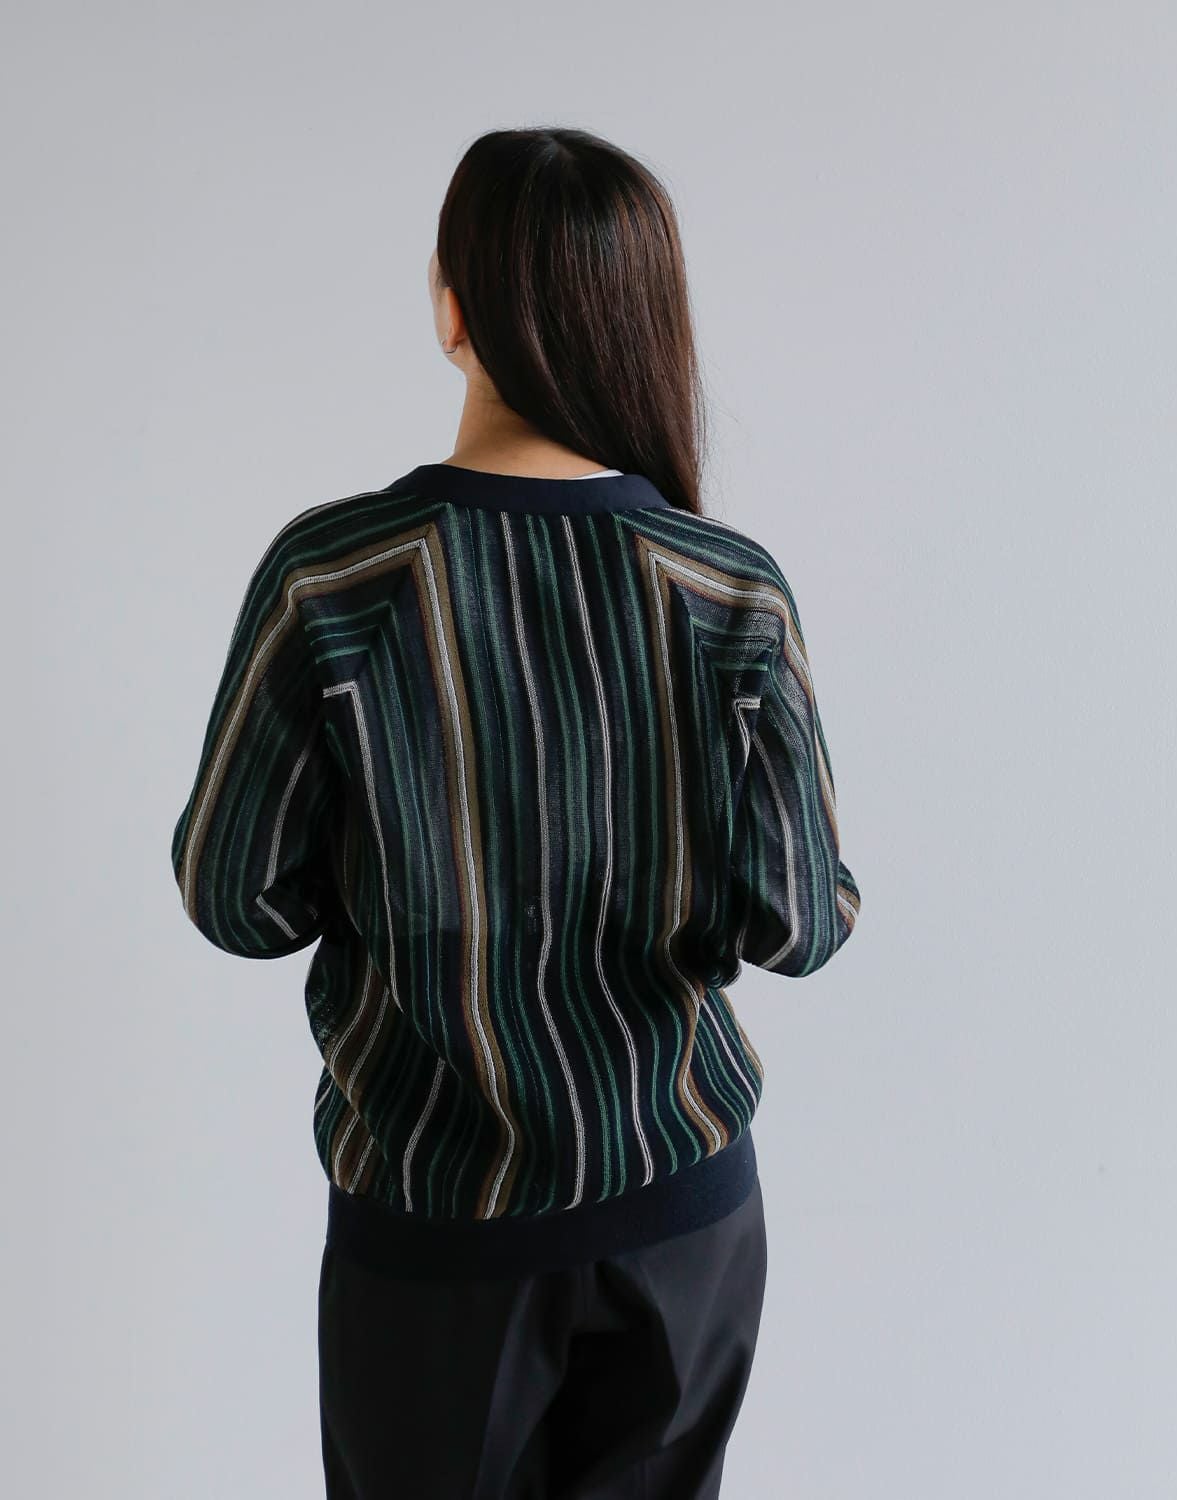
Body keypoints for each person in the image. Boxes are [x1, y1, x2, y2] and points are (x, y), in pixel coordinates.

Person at [170, 124, 862, 1500]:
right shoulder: (728, 588)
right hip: (682, 1211)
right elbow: (802, 923)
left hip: (436, 1220)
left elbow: (234, 900)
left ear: (452, 309)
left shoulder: (335, 577)